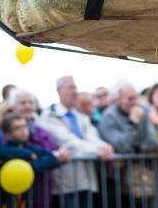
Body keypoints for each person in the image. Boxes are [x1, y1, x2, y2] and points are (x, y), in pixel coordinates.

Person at [39, 76, 114, 208]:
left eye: (75, 87)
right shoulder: (50, 115)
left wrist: (105, 147)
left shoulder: (79, 115)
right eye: (70, 87)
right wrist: (97, 151)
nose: (75, 91)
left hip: (86, 179)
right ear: (59, 90)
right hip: (65, 180)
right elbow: (67, 140)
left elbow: (91, 135)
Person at [0, 88, 70, 208]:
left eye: (31, 102)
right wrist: (27, 155)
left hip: (42, 189)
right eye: (23, 103)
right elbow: (0, 151)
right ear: (12, 106)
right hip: (14, 192)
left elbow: (49, 152)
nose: (28, 106)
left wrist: (60, 153)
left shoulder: (40, 129)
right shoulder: (3, 129)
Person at [0, 113, 62, 208]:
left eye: (25, 127)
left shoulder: (31, 148)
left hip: (29, 197)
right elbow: (0, 151)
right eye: (18, 128)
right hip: (6, 198)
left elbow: (52, 158)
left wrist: (30, 167)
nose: (24, 131)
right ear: (7, 134)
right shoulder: (4, 149)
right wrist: (27, 155)